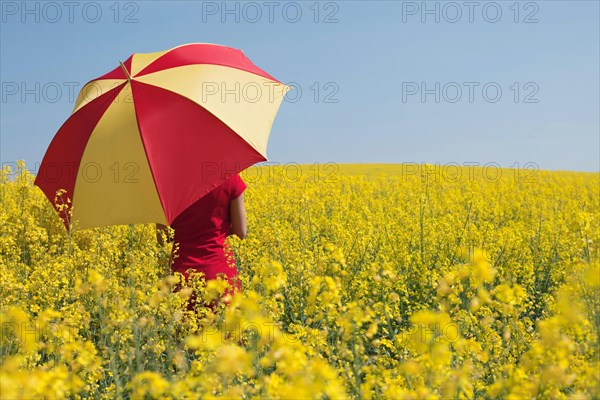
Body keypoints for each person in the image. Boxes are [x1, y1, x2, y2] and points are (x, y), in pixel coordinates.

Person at [156, 173, 247, 312]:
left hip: (182, 275)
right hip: (220, 274)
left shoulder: (168, 184)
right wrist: (219, 229)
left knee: (185, 331)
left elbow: (162, 238)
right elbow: (241, 232)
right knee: (225, 331)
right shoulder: (230, 177)